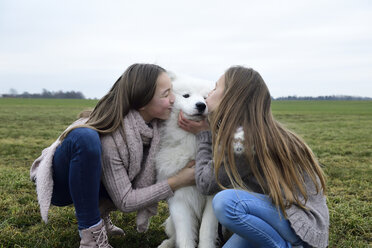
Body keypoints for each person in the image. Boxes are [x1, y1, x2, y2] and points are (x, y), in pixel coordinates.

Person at [30, 63, 195, 248]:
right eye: (166, 94)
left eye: (172, 91)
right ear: (142, 103)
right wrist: (177, 181)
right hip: (61, 185)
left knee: (116, 163)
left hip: (93, 177)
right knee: (85, 137)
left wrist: (201, 127)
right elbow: (125, 200)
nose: (174, 99)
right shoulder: (113, 137)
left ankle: (99, 212)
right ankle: (91, 237)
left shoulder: (154, 126)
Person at [178, 66, 329, 248]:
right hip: (277, 220)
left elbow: (206, 183)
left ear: (231, 97)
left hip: (297, 225)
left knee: (226, 202)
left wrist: (204, 135)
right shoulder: (253, 131)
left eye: (216, 87)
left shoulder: (245, 141)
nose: (210, 93)